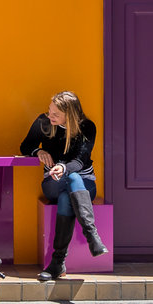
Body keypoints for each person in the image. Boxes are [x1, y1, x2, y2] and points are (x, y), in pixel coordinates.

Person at [20, 91, 107, 282]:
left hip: (84, 184)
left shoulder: (87, 127)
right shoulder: (44, 123)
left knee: (70, 188)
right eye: (49, 112)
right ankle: (92, 235)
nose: (50, 117)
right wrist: (39, 151)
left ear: (70, 114)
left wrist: (63, 167)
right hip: (53, 183)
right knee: (69, 182)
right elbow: (25, 146)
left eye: (55, 114)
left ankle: (57, 263)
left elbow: (80, 160)